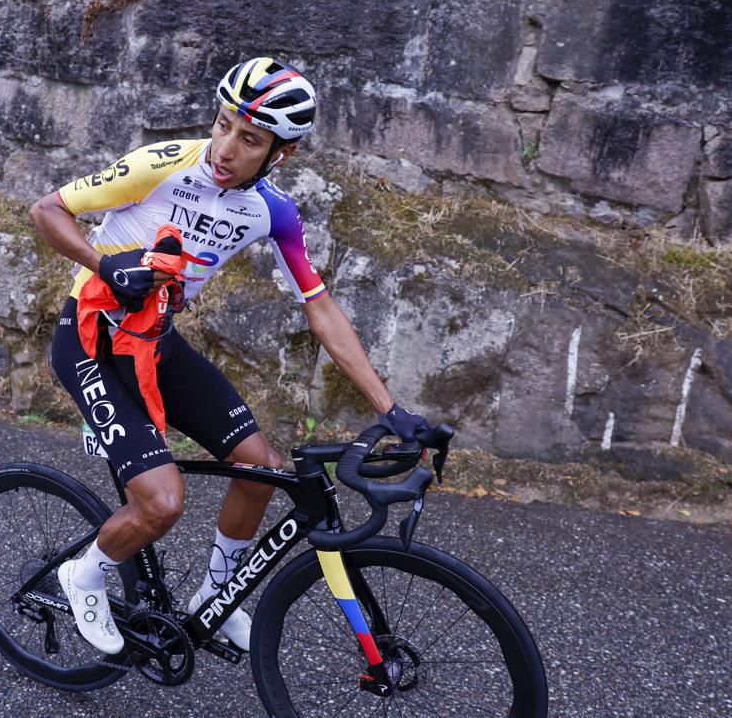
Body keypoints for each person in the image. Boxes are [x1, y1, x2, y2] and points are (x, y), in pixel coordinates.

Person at [29, 57, 431, 655]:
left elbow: (320, 308)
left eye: (250, 139)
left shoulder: (273, 212)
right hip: (91, 339)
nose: (225, 147)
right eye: (222, 125)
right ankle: (83, 573)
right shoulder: (160, 166)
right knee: (163, 502)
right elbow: (47, 210)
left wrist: (391, 407)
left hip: (155, 344)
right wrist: (104, 264)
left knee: (261, 469)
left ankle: (215, 596)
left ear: (279, 155)